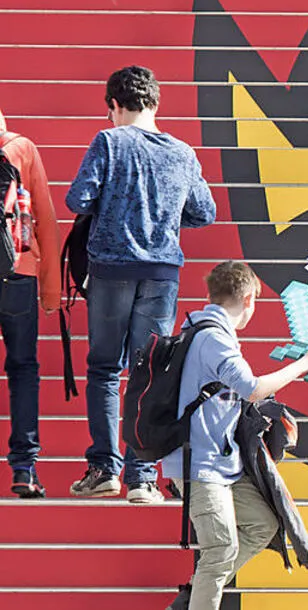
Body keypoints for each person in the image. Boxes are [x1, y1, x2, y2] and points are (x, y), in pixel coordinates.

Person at [65, 65, 217, 503]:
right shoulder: (183, 152)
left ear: (115, 105)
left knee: (104, 369)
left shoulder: (109, 141)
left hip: (111, 270)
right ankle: (143, 478)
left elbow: (78, 198)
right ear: (155, 103)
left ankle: (104, 470)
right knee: (148, 371)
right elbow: (204, 212)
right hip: (161, 274)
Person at [161, 261, 308, 610]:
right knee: (221, 549)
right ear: (249, 298)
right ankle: (201, 592)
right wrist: (305, 363)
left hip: (221, 463)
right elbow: (252, 388)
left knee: (262, 524)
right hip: (200, 466)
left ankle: (198, 590)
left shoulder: (207, 333)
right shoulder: (212, 339)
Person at [0, 112, 61, 498]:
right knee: (23, 368)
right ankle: (24, 468)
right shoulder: (21, 148)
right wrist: (51, 291)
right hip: (18, 271)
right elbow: (46, 220)